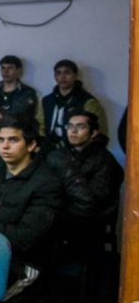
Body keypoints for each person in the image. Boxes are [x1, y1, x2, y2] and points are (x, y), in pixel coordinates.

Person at [0, 115, 63, 269]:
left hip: (15, 262)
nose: (4, 146)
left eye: (13, 140)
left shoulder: (47, 183)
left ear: (31, 145)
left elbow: (23, 238)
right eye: (0, 140)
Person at [45, 110, 123, 259]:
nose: (73, 131)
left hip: (90, 217)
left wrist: (59, 215)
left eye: (80, 127)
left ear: (93, 133)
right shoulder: (61, 154)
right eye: (70, 126)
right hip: (63, 210)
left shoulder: (104, 160)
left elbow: (95, 201)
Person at [39, 59, 107, 150]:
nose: (62, 77)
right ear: (55, 76)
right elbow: (40, 125)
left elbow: (97, 130)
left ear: (76, 76)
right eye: (58, 73)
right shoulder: (47, 100)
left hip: (77, 150)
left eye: (67, 73)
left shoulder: (88, 101)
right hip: (49, 149)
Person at [0, 55, 38, 127]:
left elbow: (31, 119)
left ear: (18, 70)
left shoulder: (28, 94)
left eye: (10, 68)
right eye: (3, 68)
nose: (5, 71)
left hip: (17, 134)